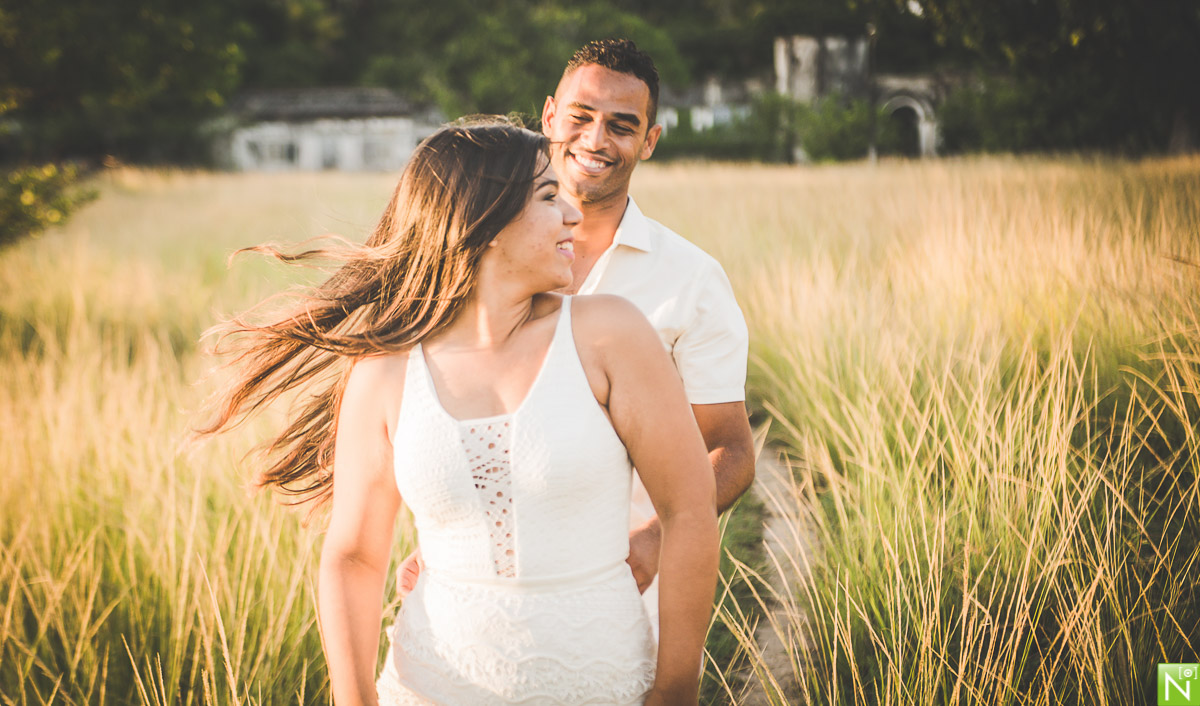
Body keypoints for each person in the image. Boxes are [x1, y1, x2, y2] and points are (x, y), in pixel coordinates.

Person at [201, 119, 719, 705]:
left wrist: (676, 689)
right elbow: (353, 554)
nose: (573, 214)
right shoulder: (385, 372)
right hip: (427, 686)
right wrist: (355, 700)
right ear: (486, 223)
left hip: (604, 681)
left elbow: (689, 509)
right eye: (549, 197)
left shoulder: (609, 334)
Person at [397, 39, 756, 638]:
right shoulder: (473, 259)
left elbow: (732, 450)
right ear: (547, 117)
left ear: (650, 142)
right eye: (580, 118)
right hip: (470, 600)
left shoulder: (691, 281)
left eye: (621, 126)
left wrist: (654, 540)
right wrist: (450, 535)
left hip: (620, 597)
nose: (594, 140)